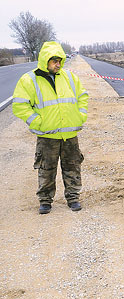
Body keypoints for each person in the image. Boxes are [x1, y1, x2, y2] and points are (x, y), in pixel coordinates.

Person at [12, 41, 88, 214]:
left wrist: (80, 115)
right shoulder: (29, 80)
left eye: (60, 60)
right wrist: (38, 122)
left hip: (70, 134)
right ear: (45, 61)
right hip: (47, 136)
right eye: (54, 61)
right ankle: (45, 201)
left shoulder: (69, 77)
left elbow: (83, 96)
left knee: (73, 167)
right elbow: (19, 105)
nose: (58, 64)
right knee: (46, 169)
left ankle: (73, 198)